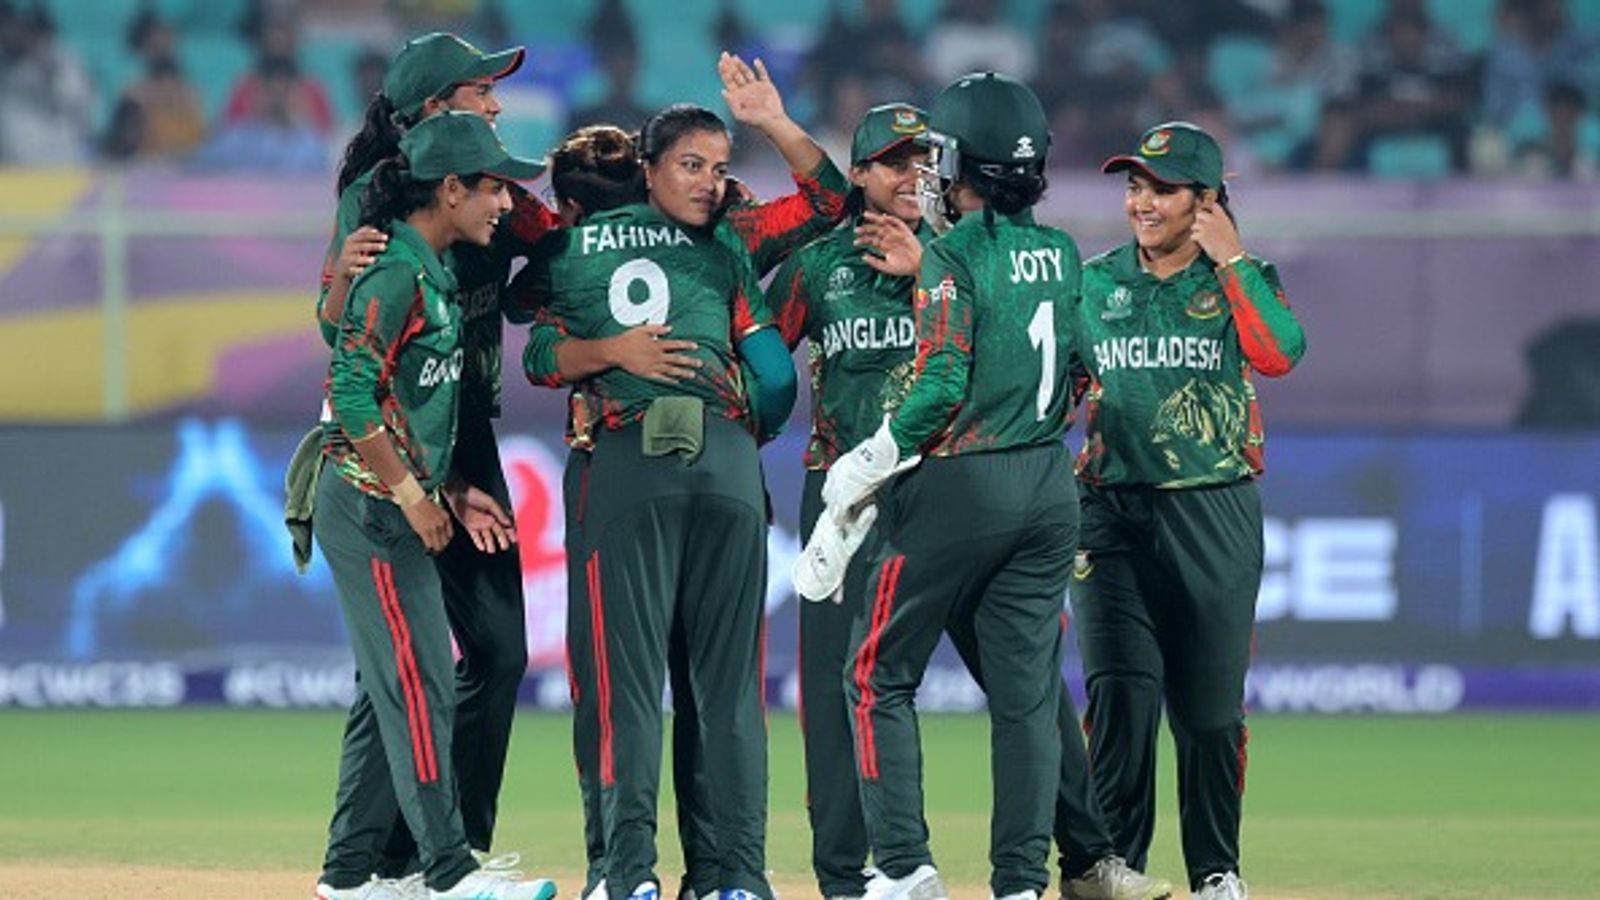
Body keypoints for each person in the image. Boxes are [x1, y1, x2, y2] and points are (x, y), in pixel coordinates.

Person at [779, 103, 1172, 900]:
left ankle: (904, 868)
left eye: (931, 159)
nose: (920, 174)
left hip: (947, 483)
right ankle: (1021, 883)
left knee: (873, 677)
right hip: (1042, 481)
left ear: (963, 167)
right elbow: (1086, 366)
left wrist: (858, 471)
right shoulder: (1062, 252)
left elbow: (941, 386)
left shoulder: (949, 255)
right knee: (1027, 696)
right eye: (896, 161)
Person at [520, 52, 849, 900]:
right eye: (692, 167)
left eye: (718, 167)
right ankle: (733, 877)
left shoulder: (574, 245)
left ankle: (624, 876)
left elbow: (539, 353)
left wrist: (607, 351)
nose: (709, 183)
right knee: (728, 688)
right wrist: (777, 122)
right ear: (649, 170)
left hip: (628, 464)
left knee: (622, 689)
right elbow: (830, 203)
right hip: (731, 467)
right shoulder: (730, 242)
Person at [313, 31, 561, 892]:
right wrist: (342, 284)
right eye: (479, 91)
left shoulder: (479, 197)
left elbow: (551, 239)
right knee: (407, 671)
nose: (495, 103)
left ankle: (395, 863)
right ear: (432, 119)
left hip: (452, 435)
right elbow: (348, 348)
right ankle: (428, 866)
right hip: (389, 451)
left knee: (468, 657)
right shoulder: (382, 218)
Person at [1073, 121, 1306, 900]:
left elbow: (1280, 352)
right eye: (1134, 185)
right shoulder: (1093, 282)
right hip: (1108, 512)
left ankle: (1215, 872)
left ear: (1208, 202)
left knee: (1208, 717)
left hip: (1214, 511)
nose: (1141, 201)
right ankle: (1112, 868)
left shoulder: (1242, 277)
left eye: (1163, 188)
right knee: (1121, 702)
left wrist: (1232, 257)